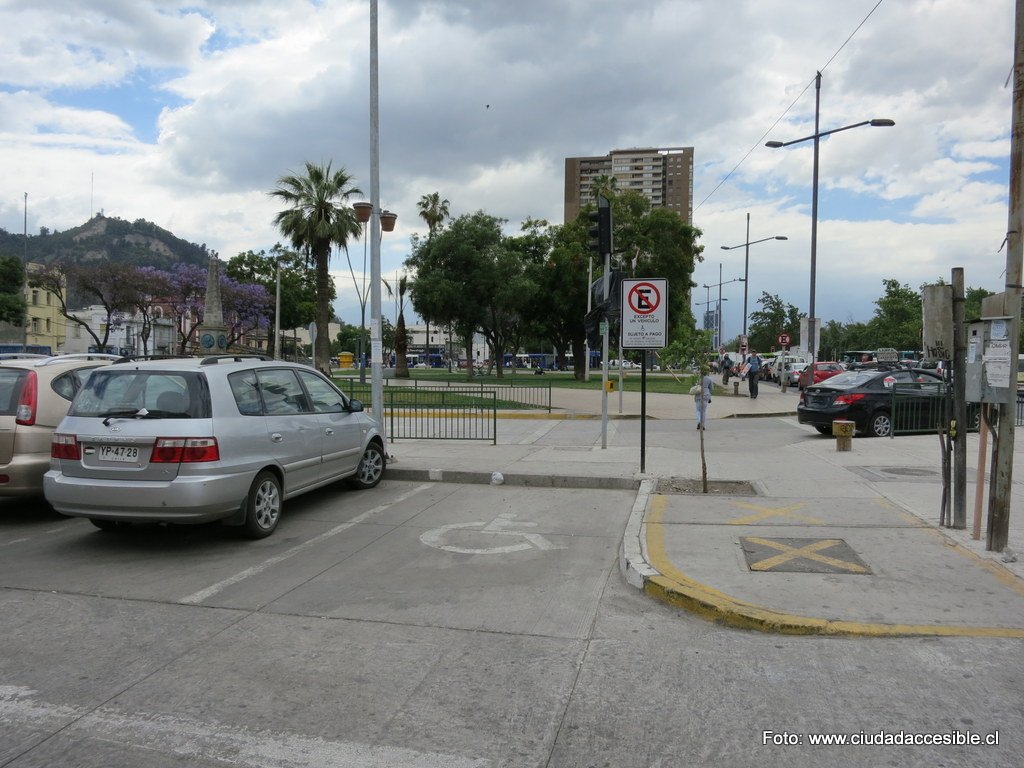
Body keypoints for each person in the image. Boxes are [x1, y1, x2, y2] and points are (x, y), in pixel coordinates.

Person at [695, 365, 714, 429]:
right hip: (706, 395)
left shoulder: (697, 378)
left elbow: (695, 386)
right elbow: (711, 388)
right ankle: (702, 425)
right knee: (704, 411)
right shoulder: (709, 379)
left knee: (698, 410)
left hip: (698, 395)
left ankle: (699, 421)